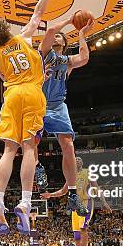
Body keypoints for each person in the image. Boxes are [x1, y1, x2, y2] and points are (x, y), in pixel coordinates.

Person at [0, 0, 62, 236]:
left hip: (11, 95)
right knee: (29, 148)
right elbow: (38, 13)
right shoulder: (23, 37)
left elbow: (3, 76)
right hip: (32, 92)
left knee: (9, 150)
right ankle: (25, 202)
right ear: (7, 31)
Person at [34, 15, 94, 217]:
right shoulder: (43, 53)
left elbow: (84, 58)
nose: (57, 37)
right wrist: (70, 20)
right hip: (38, 104)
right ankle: (38, 169)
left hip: (58, 106)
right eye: (56, 36)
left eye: (61, 37)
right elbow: (50, 32)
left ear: (65, 43)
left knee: (68, 146)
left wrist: (82, 34)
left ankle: (73, 195)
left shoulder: (67, 62)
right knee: (31, 142)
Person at [41, 156, 111, 246]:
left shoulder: (88, 172)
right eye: (75, 159)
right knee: (76, 235)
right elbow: (63, 191)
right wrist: (50, 195)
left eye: (79, 159)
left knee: (83, 228)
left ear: (82, 163)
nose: (77, 160)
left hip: (85, 203)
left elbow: (96, 188)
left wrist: (104, 202)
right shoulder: (70, 176)